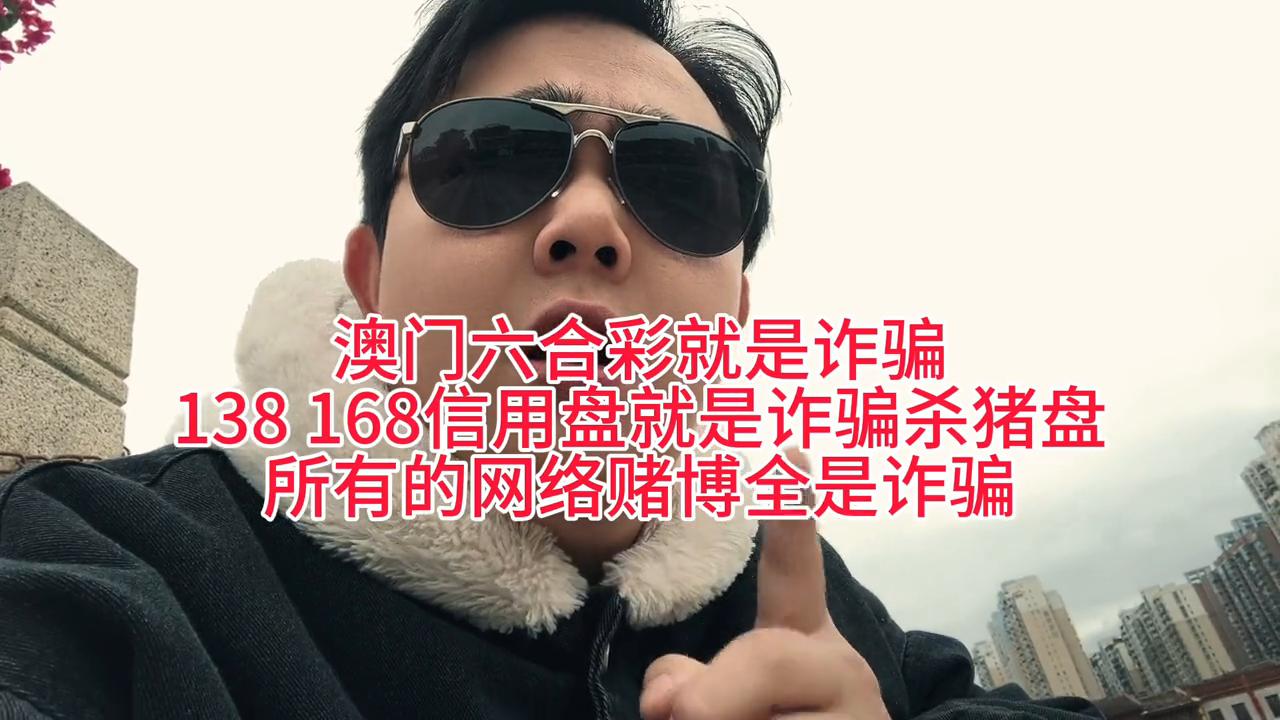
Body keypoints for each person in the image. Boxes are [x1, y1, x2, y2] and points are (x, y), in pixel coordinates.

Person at [0, 1, 1104, 718]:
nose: (586, 223)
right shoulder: (116, 565)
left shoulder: (812, 616)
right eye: (489, 155)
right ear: (371, 280)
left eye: (679, 183)